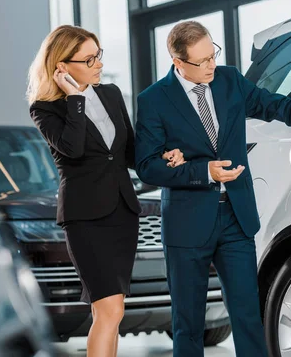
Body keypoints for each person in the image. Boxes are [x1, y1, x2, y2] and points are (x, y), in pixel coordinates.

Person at [134, 21, 291, 357]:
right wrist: (203, 172)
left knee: (248, 315)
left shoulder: (229, 80)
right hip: (187, 224)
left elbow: (276, 105)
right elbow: (147, 165)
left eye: (213, 54)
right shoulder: (154, 100)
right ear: (178, 62)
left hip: (235, 218)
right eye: (203, 61)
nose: (212, 64)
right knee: (189, 323)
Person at [27, 25, 184, 357]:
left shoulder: (111, 94)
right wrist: (75, 98)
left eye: (99, 55)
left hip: (123, 213)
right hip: (85, 218)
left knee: (111, 311)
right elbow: (71, 148)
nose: (98, 64)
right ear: (62, 66)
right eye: (89, 59)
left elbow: (127, 152)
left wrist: (161, 155)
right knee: (110, 311)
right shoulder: (45, 108)